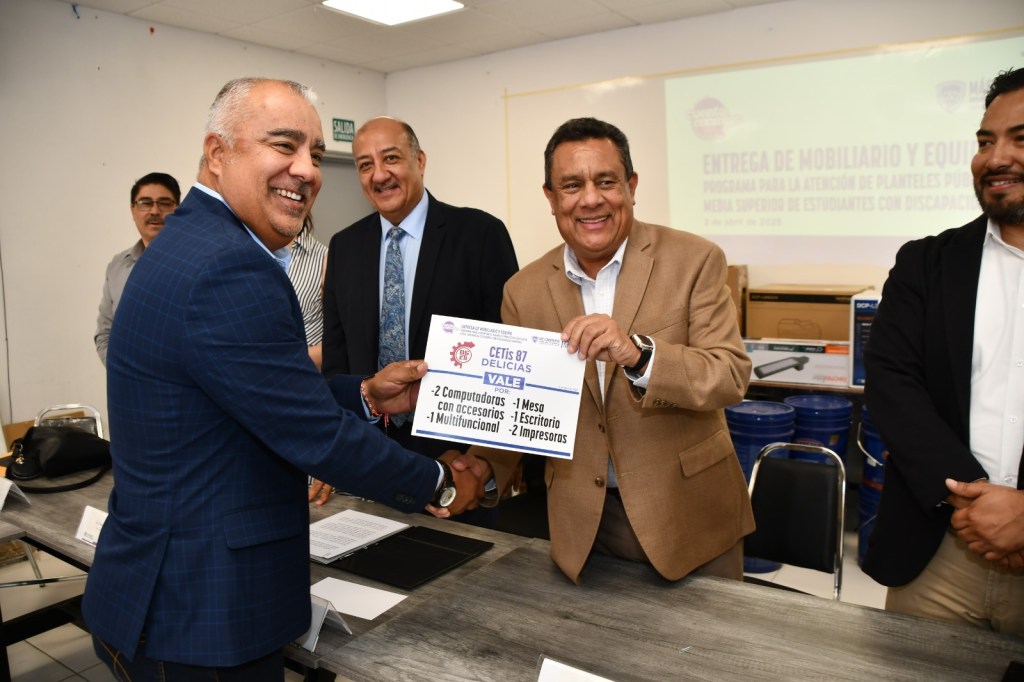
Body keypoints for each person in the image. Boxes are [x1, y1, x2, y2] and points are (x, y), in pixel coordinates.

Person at [82, 77, 484, 678]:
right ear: (217, 154)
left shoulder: (187, 243)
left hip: (155, 589)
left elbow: (256, 390)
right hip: (200, 615)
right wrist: (439, 481)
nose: (307, 170)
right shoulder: (230, 265)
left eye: (315, 154)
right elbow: (314, 433)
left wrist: (366, 394)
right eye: (283, 145)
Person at [458, 117, 754, 584]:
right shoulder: (522, 291)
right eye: (572, 185)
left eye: (606, 181)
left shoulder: (695, 260)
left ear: (631, 187)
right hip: (584, 526)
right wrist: (480, 468)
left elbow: (729, 375)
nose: (590, 199)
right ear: (551, 198)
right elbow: (516, 407)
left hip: (689, 518)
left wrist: (639, 355)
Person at [863, 67, 1024, 636]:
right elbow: (891, 382)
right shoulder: (926, 264)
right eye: (985, 141)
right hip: (939, 552)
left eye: (1020, 139)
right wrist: (978, 505)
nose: (995, 158)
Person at [314, 116, 519, 512]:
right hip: (366, 465)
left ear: (420, 161)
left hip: (455, 469)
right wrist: (331, 451)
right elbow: (336, 367)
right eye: (365, 164)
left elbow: (508, 357)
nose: (379, 174)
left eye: (391, 158)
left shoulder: (479, 235)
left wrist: (479, 465)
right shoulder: (345, 246)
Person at [94, 172, 180, 366]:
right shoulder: (118, 266)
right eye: (145, 203)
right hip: (126, 380)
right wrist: (122, 371)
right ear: (133, 210)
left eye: (165, 203)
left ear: (178, 210)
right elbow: (105, 332)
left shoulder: (196, 264)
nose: (155, 211)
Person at [288, 214, 329, 368]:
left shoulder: (324, 259)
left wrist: (285, 362)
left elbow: (341, 341)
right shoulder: (248, 249)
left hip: (302, 373)